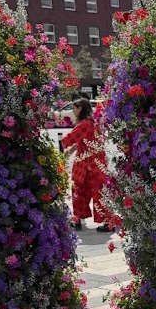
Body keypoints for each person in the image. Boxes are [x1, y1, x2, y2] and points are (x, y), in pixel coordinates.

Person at [60, 99, 112, 232]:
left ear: (81, 109)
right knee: (96, 192)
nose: (73, 111)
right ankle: (106, 222)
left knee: (80, 191)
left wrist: (61, 144)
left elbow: (71, 138)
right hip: (96, 164)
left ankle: (79, 220)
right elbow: (82, 141)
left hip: (87, 165)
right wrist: (70, 152)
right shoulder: (91, 124)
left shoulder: (84, 124)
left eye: (75, 108)